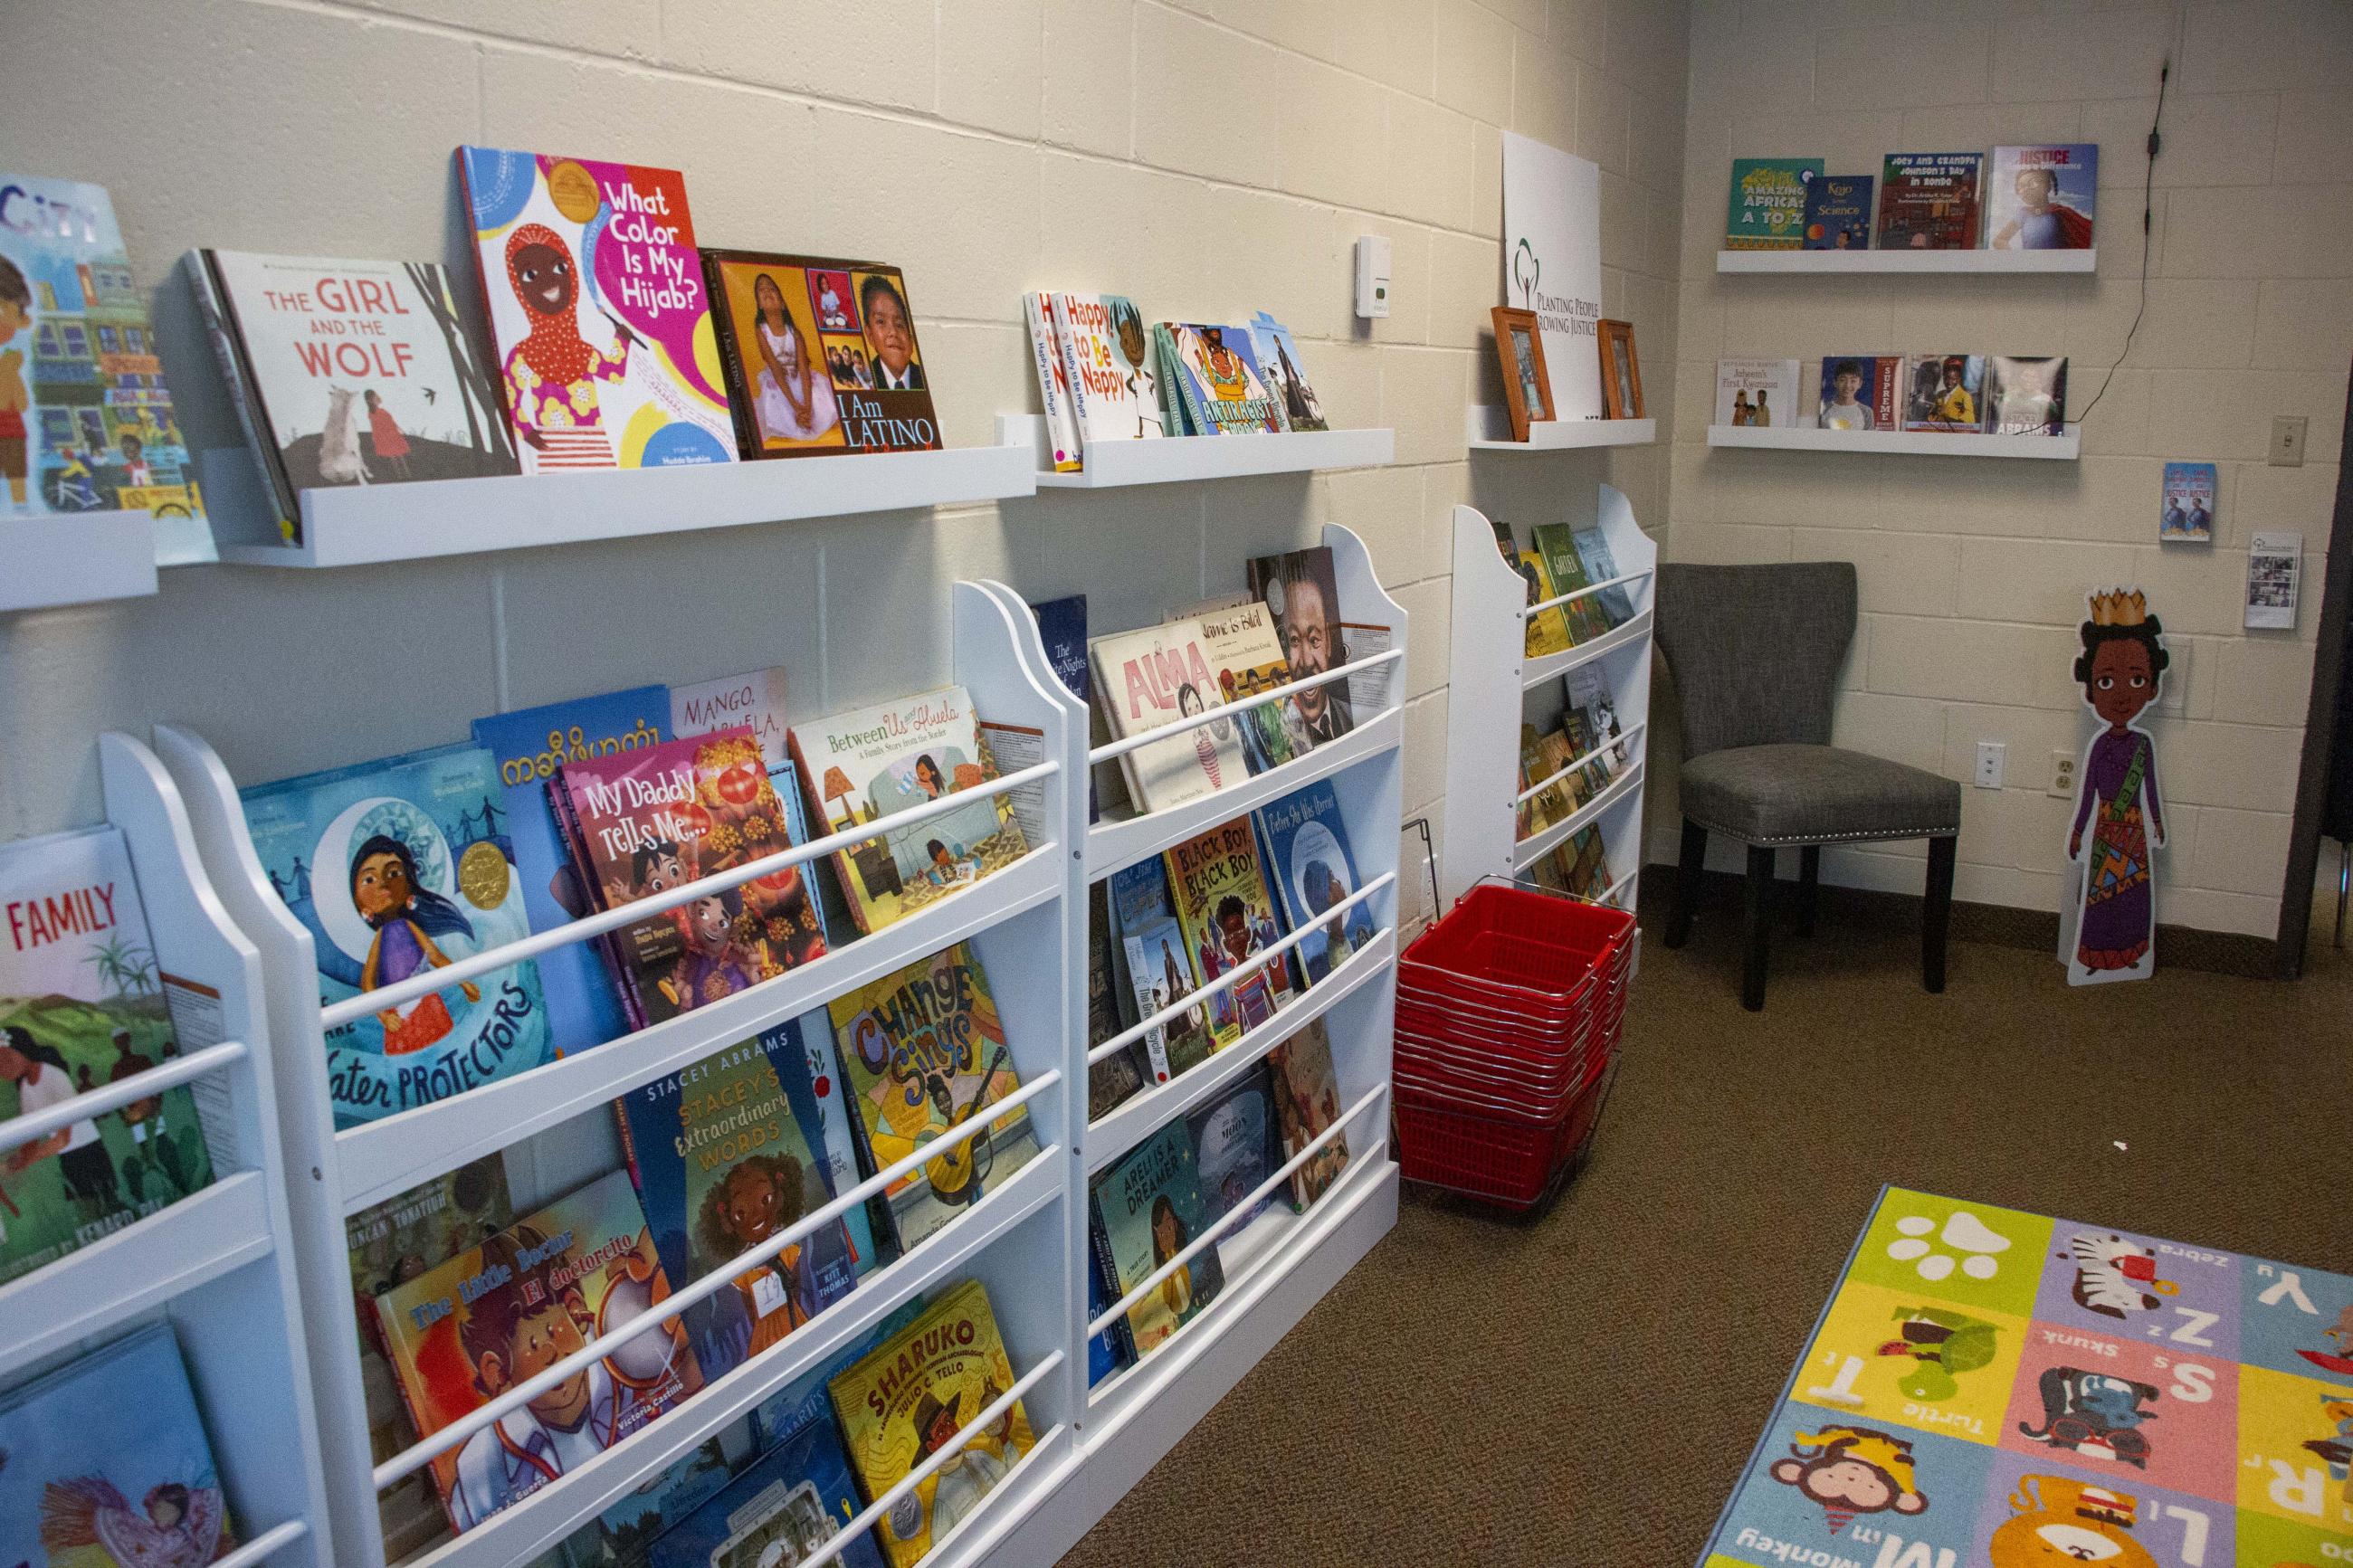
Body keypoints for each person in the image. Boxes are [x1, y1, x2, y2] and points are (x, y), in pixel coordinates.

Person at [448, 1225, 680, 1527]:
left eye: (555, 1331)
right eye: (533, 1346)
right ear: (497, 1372)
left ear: (577, 1312)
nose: (552, 1353)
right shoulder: (481, 1468)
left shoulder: (633, 1356)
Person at [2065, 593, 2168, 984]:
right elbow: (2089, 791)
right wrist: (2077, 831)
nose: (2123, 694)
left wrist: (2157, 822)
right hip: (2107, 828)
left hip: (2134, 831)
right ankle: (2096, 957)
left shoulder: (2143, 745)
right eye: (2107, 681)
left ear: (2152, 686)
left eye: (2137, 680)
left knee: (2132, 898)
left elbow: (2151, 787)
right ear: (2091, 689)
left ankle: (2131, 955)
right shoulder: (2099, 746)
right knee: (2101, 896)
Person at [498, 223, 637, 467]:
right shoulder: (522, 355)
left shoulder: (582, 351)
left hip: (597, 450)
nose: (549, 281)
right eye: (530, 275)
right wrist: (528, 433)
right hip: (554, 454)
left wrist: (622, 339)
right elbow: (510, 401)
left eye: (560, 268)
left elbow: (615, 373)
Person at [351, 833, 482, 1054]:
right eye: (370, 879)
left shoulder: (409, 927)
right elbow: (367, 983)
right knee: (411, 1061)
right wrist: (384, 1016)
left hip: (427, 1005)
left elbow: (435, 956)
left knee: (443, 1051)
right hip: (400, 1015)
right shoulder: (380, 938)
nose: (384, 883)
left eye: (393, 873)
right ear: (361, 905)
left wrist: (463, 981)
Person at [0, 1026, 117, 1219]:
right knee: (87, 1213)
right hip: (69, 1159)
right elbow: (31, 1136)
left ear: (21, 1051)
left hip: (89, 1152)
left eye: (5, 1058)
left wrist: (25, 1161)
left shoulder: (53, 1076)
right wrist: (17, 1161)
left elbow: (63, 1139)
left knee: (107, 1209)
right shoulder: (26, 1088)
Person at [747, 273, 838, 444]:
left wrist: (808, 406)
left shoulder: (794, 333)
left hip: (799, 377)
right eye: (761, 290)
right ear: (759, 304)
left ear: (782, 303)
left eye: (772, 289)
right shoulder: (762, 331)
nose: (766, 291)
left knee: (818, 392)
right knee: (776, 398)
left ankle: (809, 417)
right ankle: (794, 419)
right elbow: (775, 368)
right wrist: (795, 406)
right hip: (779, 380)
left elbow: (803, 369)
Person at [1272, 561, 1353, 745]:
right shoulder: (1279, 739)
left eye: (1314, 639)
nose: (1307, 661)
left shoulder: (1352, 717)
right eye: (1293, 640)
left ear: (1329, 644)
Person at [1990, 163, 2092, 250]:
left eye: (2033, 183)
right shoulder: (2023, 214)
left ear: (2048, 186)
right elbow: (1999, 240)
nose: (2025, 190)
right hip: (2030, 266)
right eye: (2020, 186)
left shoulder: (2060, 213)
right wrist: (2016, 259)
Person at [0, 255, 30, 510]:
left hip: (10, 431)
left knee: (16, 477)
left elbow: (21, 403)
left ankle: (20, 509)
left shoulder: (9, 363)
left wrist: (9, 373)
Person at [860, 275, 924, 391]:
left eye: (899, 325)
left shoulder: (925, 378)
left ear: (911, 340)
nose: (893, 332)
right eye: (881, 321)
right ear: (870, 336)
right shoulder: (866, 382)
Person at [364, 389, 413, 480]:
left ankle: (402, 476)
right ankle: (404, 476)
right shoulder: (376, 412)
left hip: (388, 436)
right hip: (390, 436)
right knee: (397, 456)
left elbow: (386, 423)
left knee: (396, 457)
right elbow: (380, 425)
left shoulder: (374, 412)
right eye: (375, 396)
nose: (377, 397)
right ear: (371, 399)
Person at [1819, 360, 1874, 430]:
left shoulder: (1866, 412)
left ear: (1860, 384)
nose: (1847, 385)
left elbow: (1870, 439)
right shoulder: (1824, 409)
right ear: (1835, 382)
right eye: (1842, 380)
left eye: (1853, 381)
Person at [1931, 357, 1975, 430]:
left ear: (1959, 379)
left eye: (1953, 379)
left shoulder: (1965, 396)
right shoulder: (1940, 394)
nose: (1949, 382)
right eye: (1946, 378)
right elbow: (1931, 417)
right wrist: (1935, 415)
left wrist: (1946, 418)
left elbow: (1969, 421)